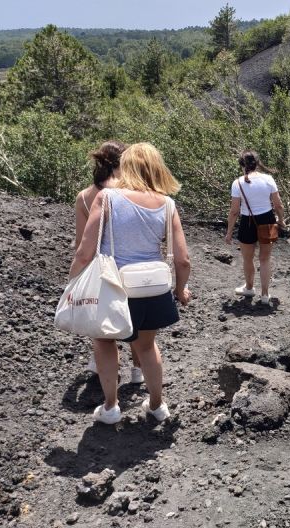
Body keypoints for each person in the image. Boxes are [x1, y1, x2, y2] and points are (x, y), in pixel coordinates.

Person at [70, 143, 192, 424]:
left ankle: (111, 408)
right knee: (147, 346)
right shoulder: (168, 204)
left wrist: (73, 283)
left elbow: (84, 251)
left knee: (104, 340)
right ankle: (157, 406)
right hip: (150, 287)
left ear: (126, 166)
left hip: (113, 284)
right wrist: (179, 290)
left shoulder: (108, 198)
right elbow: (183, 260)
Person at [74, 141, 143, 385]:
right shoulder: (132, 193)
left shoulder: (84, 197)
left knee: (102, 318)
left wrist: (76, 274)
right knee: (134, 320)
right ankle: (137, 371)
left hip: (99, 267)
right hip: (128, 264)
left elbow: (82, 242)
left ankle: (101, 365)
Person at [224, 150, 285, 305]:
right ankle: (265, 295)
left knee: (247, 258)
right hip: (267, 220)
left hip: (247, 222)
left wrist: (229, 232)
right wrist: (281, 220)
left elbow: (234, 211)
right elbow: (278, 205)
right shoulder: (268, 179)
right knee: (265, 259)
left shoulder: (237, 183)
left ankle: (249, 288)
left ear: (242, 165)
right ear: (257, 163)